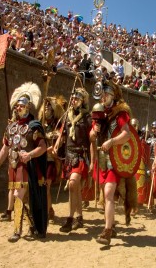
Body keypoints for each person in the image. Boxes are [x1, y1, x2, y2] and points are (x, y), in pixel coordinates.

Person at [0, 82, 48, 242]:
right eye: (16, 106)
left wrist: (30, 154)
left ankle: (17, 230)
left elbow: (43, 147)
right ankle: (32, 226)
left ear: (28, 107)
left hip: (27, 168)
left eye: (20, 106)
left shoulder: (34, 127)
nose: (17, 108)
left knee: (17, 196)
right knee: (18, 197)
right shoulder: (11, 127)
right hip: (14, 168)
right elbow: (5, 149)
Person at [89, 80, 131, 245]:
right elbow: (91, 137)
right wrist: (94, 131)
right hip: (101, 160)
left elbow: (127, 134)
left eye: (106, 94)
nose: (103, 97)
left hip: (114, 160)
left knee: (107, 194)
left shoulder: (120, 113)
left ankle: (106, 231)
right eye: (102, 94)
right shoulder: (98, 114)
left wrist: (112, 141)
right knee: (107, 195)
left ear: (113, 96)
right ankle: (111, 226)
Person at [59, 88, 92, 233]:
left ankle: (70, 218)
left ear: (83, 101)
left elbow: (92, 142)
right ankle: (79, 218)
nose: (73, 101)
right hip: (69, 156)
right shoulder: (67, 117)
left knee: (72, 184)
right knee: (76, 188)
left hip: (80, 156)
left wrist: (93, 160)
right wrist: (56, 145)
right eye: (72, 98)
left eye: (76, 98)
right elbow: (62, 135)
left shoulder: (87, 118)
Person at [38, 95, 66, 221]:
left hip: (50, 160)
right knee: (40, 186)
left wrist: (54, 147)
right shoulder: (39, 124)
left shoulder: (57, 125)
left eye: (49, 106)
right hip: (39, 159)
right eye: (46, 106)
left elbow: (60, 138)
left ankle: (48, 210)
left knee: (46, 186)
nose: (47, 108)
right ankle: (48, 209)